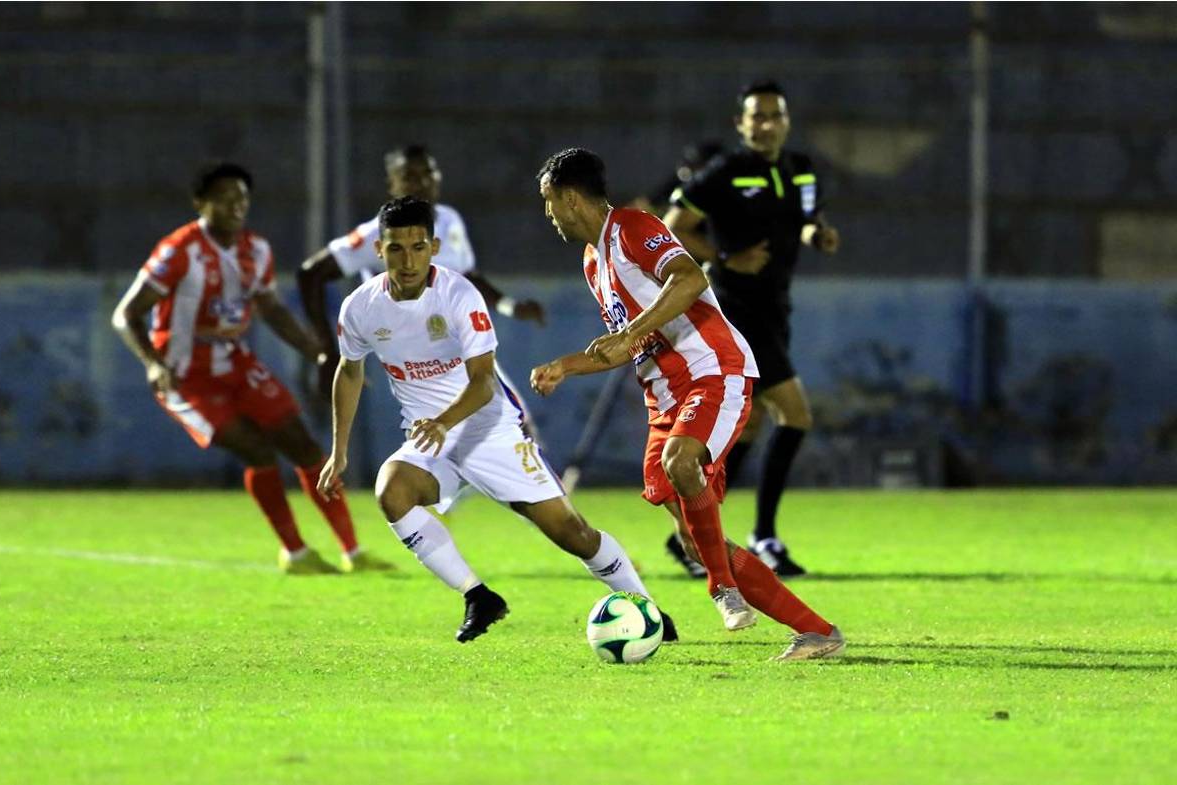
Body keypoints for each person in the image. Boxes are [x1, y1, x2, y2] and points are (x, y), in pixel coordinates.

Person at [317, 196, 676, 644]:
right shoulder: (360, 307)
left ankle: (648, 610)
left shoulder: (458, 296)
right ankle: (478, 596)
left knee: (571, 532)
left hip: (488, 430)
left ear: (432, 247)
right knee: (392, 491)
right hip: (432, 438)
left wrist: (444, 423)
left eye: (417, 247)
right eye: (395, 249)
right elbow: (349, 372)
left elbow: (484, 382)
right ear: (378, 250)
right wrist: (339, 452)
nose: (407, 260)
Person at [530, 148, 842, 660]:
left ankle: (721, 587)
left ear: (569, 198)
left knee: (682, 463)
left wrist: (630, 331)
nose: (549, 216)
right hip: (666, 398)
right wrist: (566, 365)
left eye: (549, 204)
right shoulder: (593, 262)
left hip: (712, 371)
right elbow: (628, 343)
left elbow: (690, 279)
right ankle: (818, 633)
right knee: (697, 539)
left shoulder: (632, 225)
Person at [111, 161, 390, 575]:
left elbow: (271, 309)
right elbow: (126, 314)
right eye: (223, 199)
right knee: (256, 450)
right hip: (185, 376)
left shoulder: (255, 250)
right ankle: (295, 552)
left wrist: (317, 351)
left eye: (241, 198)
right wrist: (152, 363)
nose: (235, 206)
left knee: (305, 446)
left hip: (236, 364)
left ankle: (353, 551)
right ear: (200, 203)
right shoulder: (179, 251)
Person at [663, 80, 841, 578]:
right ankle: (763, 535)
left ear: (786, 121)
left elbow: (806, 218)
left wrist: (817, 234)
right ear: (740, 124)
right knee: (795, 414)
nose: (765, 124)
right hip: (737, 311)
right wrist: (725, 258)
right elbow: (673, 225)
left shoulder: (800, 169)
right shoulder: (726, 173)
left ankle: (693, 533)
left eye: (773, 116)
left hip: (776, 309)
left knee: (750, 427)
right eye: (755, 116)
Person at [298, 144, 546, 406]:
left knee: (512, 422)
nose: (422, 182)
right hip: (421, 356)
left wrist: (511, 306)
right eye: (410, 176)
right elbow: (311, 274)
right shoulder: (378, 234)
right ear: (392, 185)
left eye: (429, 172)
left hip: (460, 344)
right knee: (495, 423)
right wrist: (328, 351)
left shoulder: (449, 220)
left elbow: (468, 277)